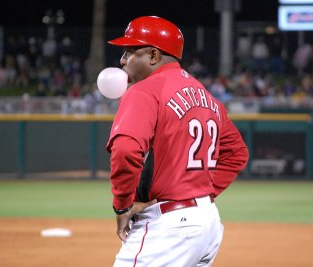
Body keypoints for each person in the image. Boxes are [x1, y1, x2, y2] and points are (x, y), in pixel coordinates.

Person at [105, 16, 249, 266]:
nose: (122, 60)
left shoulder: (143, 90)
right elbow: (237, 153)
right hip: (208, 224)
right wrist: (197, 193)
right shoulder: (205, 95)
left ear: (152, 56)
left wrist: (122, 206)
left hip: (169, 229)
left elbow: (126, 150)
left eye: (130, 52)